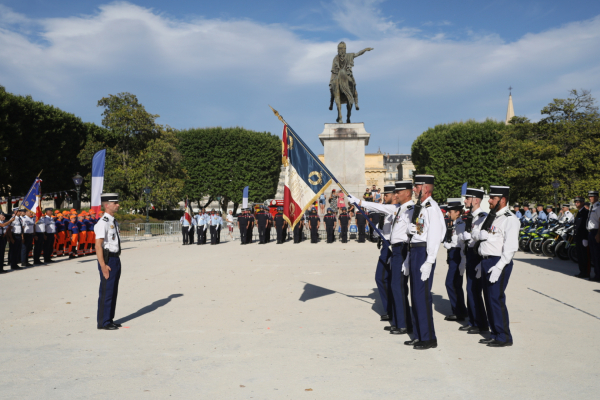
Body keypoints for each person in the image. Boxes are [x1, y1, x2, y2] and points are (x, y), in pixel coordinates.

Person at [348, 181, 414, 335]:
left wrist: (408, 257)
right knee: (395, 286)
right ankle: (399, 321)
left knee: (398, 288)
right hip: (395, 249)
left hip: (402, 250)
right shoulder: (399, 208)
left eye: (397, 192)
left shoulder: (410, 210)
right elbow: (380, 207)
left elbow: (414, 234)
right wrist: (359, 202)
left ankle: (403, 323)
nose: (395, 195)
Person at [473, 186, 519, 347]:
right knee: (488, 298)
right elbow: (481, 237)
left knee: (496, 299)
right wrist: (481, 261)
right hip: (486, 261)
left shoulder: (509, 219)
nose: (490, 201)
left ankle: (504, 336)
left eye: (493, 198)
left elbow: (511, 247)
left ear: (503, 200)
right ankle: (495, 332)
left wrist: (499, 266)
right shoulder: (493, 217)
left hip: (498, 262)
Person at [405, 174, 444, 350]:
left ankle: (428, 337)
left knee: (422, 296)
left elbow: (436, 236)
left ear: (426, 189)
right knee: (415, 295)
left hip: (423, 252)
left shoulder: (431, 208)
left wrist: (430, 260)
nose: (414, 189)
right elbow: (422, 231)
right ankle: (419, 334)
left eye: (417, 186)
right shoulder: (421, 207)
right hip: (415, 250)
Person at [458, 188, 489, 335]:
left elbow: (483, 238)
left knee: (474, 290)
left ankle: (480, 323)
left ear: (476, 200)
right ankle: (473, 320)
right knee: (470, 289)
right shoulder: (471, 216)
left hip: (477, 255)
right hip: (469, 254)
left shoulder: (483, 217)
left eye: (468, 199)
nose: (465, 201)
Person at [94, 193, 123, 330]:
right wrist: (103, 266)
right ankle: (103, 322)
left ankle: (109, 319)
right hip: (108, 259)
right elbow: (98, 245)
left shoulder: (113, 221)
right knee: (106, 291)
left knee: (113, 291)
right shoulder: (103, 223)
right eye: (115, 203)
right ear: (107, 205)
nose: (118, 205)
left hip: (115, 258)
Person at [442, 199, 468, 322]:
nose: (448, 213)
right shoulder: (454, 224)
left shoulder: (461, 225)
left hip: (457, 255)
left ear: (458, 212)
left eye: (450, 211)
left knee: (451, 283)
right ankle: (460, 310)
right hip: (453, 255)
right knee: (455, 284)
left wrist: (463, 261)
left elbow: (462, 244)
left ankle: (459, 311)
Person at [573, 197, 590, 278]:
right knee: (579, 256)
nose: (576, 203)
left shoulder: (585, 212)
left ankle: (586, 272)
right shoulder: (579, 212)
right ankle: (582, 271)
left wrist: (585, 238)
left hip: (583, 237)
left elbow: (585, 226)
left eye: (578, 202)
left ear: (583, 203)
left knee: (584, 256)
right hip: (578, 237)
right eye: (576, 202)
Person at [587, 190, 600, 282]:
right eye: (589, 196)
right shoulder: (593, 207)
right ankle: (596, 274)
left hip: (596, 232)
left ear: (596, 197)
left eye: (592, 196)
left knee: (597, 255)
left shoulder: (598, 207)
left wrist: (598, 234)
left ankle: (598, 275)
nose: (590, 198)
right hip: (591, 232)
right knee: (593, 255)